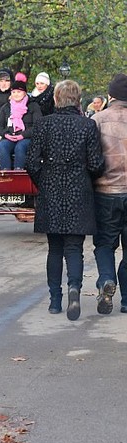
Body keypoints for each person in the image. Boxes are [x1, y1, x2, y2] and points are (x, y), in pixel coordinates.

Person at [26, 79, 104, 319]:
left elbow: (31, 162)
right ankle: (74, 289)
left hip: (51, 189)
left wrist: (44, 180)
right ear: (78, 99)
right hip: (78, 189)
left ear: (56, 99)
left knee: (54, 248)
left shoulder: (43, 125)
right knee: (74, 247)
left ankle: (54, 300)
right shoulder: (87, 125)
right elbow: (96, 163)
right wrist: (86, 179)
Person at [92, 73, 127, 315]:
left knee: (105, 243)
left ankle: (106, 278)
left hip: (106, 192)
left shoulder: (98, 119)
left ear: (110, 95)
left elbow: (92, 158)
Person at [0, 73, 42, 170]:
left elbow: (38, 125)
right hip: (10, 136)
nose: (16, 94)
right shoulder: (6, 107)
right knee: (3, 145)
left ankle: (19, 171)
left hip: (27, 137)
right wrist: (6, 134)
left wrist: (23, 135)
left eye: (19, 92)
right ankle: (5, 172)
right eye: (14, 92)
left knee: (20, 147)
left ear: (25, 93)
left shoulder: (33, 106)